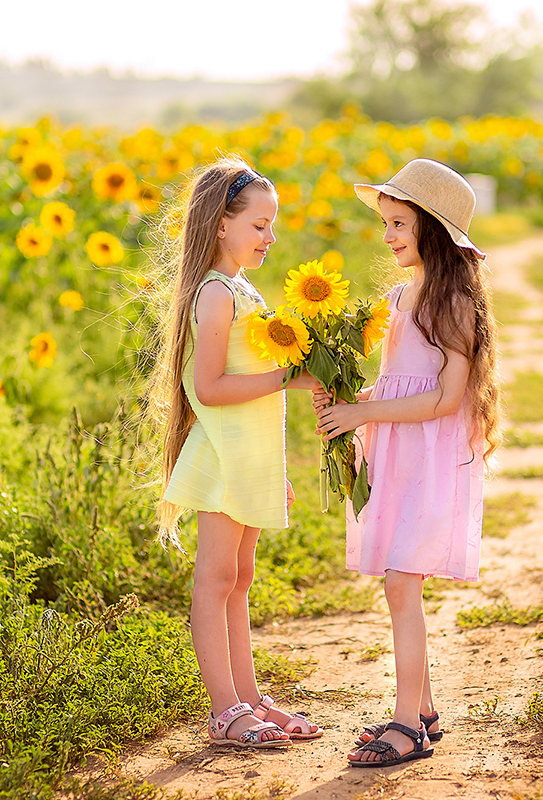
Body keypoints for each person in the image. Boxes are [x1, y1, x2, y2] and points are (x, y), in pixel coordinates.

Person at [312, 158, 501, 767]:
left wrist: (364, 417)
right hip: (398, 449)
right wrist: (355, 400)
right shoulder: (401, 295)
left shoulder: (451, 303)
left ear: (434, 232)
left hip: (430, 456)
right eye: (387, 223)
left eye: (399, 224)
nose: (388, 235)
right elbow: (399, 383)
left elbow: (446, 397)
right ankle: (420, 711)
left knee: (401, 581)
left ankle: (406, 724)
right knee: (400, 581)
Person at [150, 158, 325, 749]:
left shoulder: (242, 287)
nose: (270, 237)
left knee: (241, 577)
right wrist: (290, 377)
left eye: (271, 225)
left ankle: (249, 698)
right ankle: (223, 708)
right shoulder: (215, 293)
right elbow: (210, 389)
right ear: (221, 224)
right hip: (223, 455)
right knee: (216, 577)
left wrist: (273, 470)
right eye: (259, 225)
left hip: (249, 459)